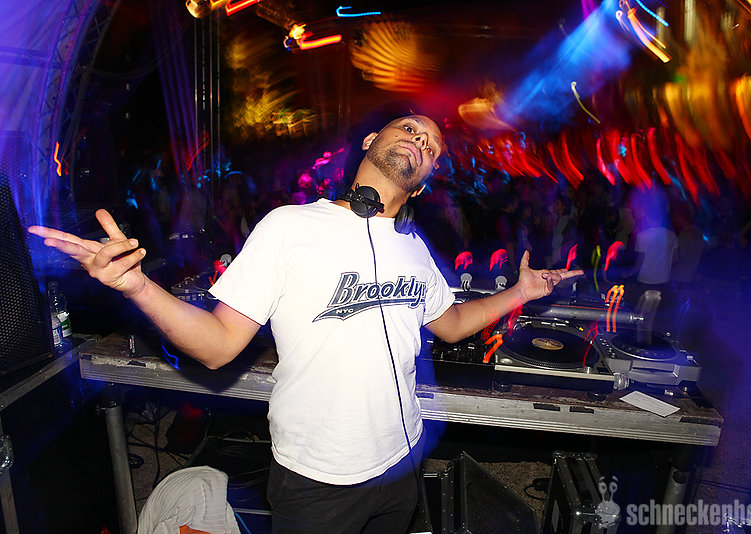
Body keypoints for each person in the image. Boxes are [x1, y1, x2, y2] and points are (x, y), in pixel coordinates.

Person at [29, 114, 583, 534]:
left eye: (432, 146)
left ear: (424, 182)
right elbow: (218, 346)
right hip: (318, 480)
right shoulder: (289, 227)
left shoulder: (415, 248)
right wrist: (137, 287)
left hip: (403, 462)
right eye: (410, 129)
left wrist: (520, 292)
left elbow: (454, 323)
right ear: (370, 142)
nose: (420, 140)